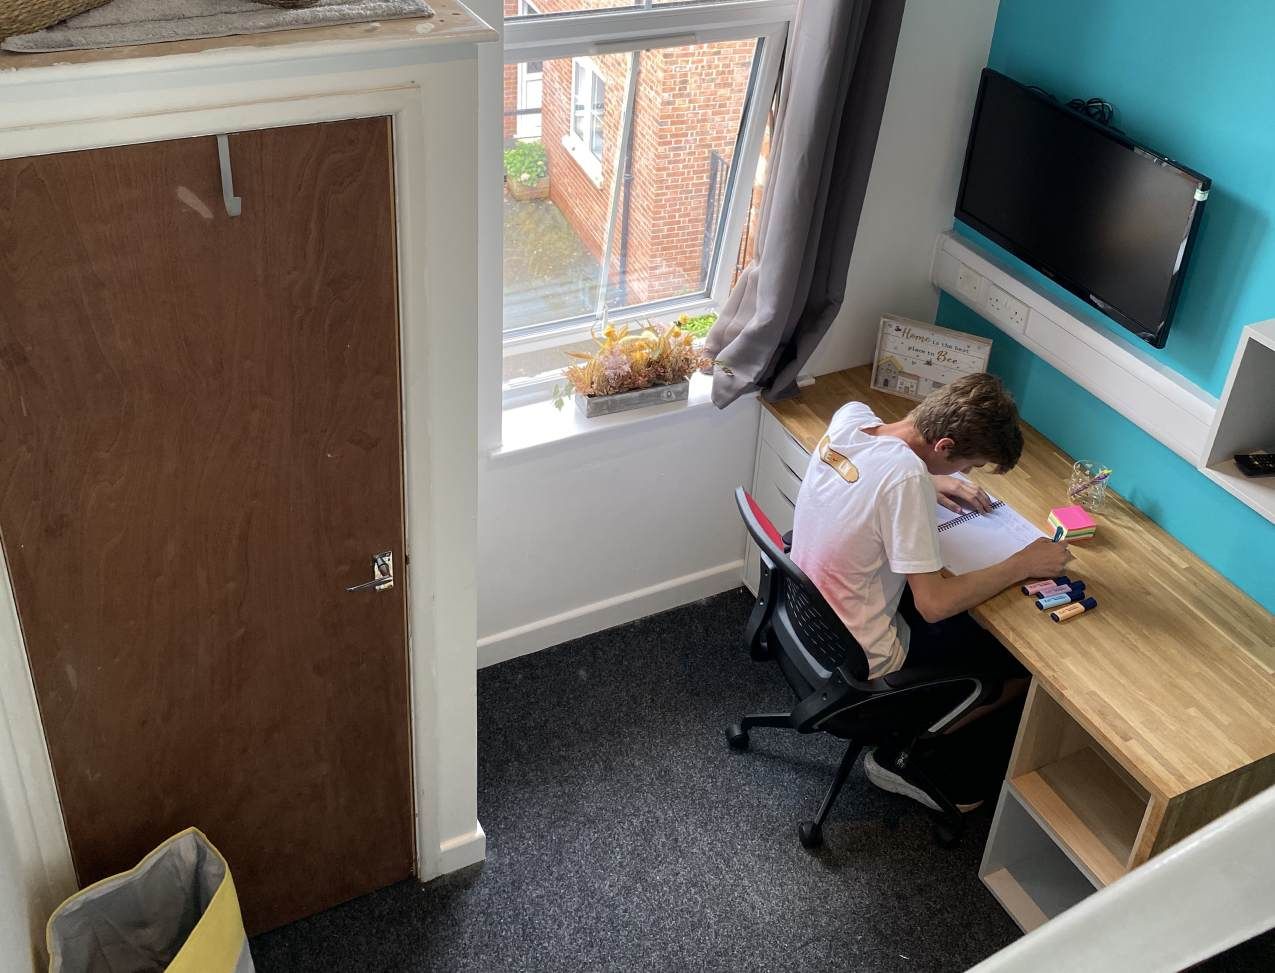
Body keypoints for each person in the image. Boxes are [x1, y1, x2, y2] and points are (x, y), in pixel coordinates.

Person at [788, 372, 1071, 811]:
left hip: (807, 616)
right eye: (967, 464)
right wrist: (1024, 563)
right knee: (1015, 667)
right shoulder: (904, 479)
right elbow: (934, 605)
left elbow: (878, 468)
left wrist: (929, 481)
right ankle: (901, 755)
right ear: (944, 447)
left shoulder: (851, 419)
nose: (966, 473)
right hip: (864, 657)